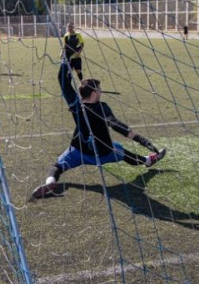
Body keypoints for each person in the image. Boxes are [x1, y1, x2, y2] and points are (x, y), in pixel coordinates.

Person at [30, 63, 166, 200]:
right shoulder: (102, 107)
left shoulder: (76, 104)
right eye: (99, 89)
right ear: (94, 93)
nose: (101, 91)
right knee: (123, 152)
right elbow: (115, 124)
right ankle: (148, 160)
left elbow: (63, 81)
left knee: (57, 166)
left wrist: (67, 61)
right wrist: (142, 140)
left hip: (78, 151)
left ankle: (50, 182)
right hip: (103, 152)